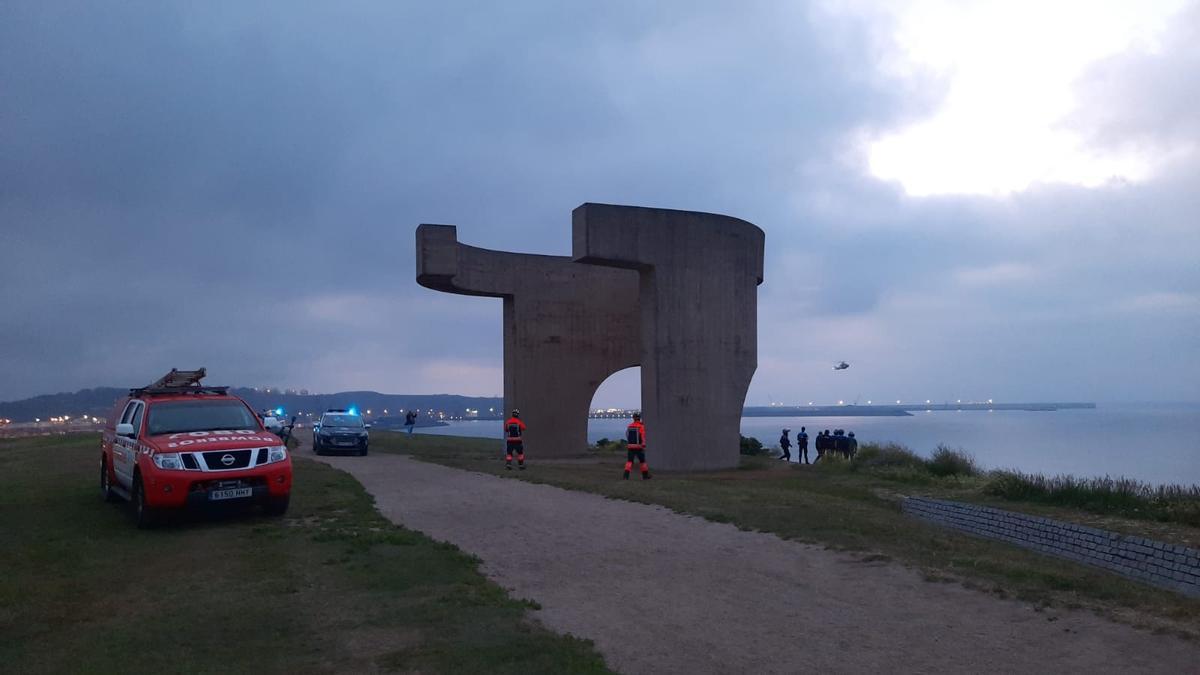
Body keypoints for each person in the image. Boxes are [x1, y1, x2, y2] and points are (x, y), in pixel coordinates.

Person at [624, 412, 651, 480]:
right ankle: (645, 476)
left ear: (633, 419)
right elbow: (642, 436)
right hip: (638, 447)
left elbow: (627, 435)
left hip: (630, 446)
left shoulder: (630, 426)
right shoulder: (641, 426)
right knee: (642, 462)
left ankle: (625, 476)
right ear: (639, 418)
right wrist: (643, 444)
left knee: (629, 462)